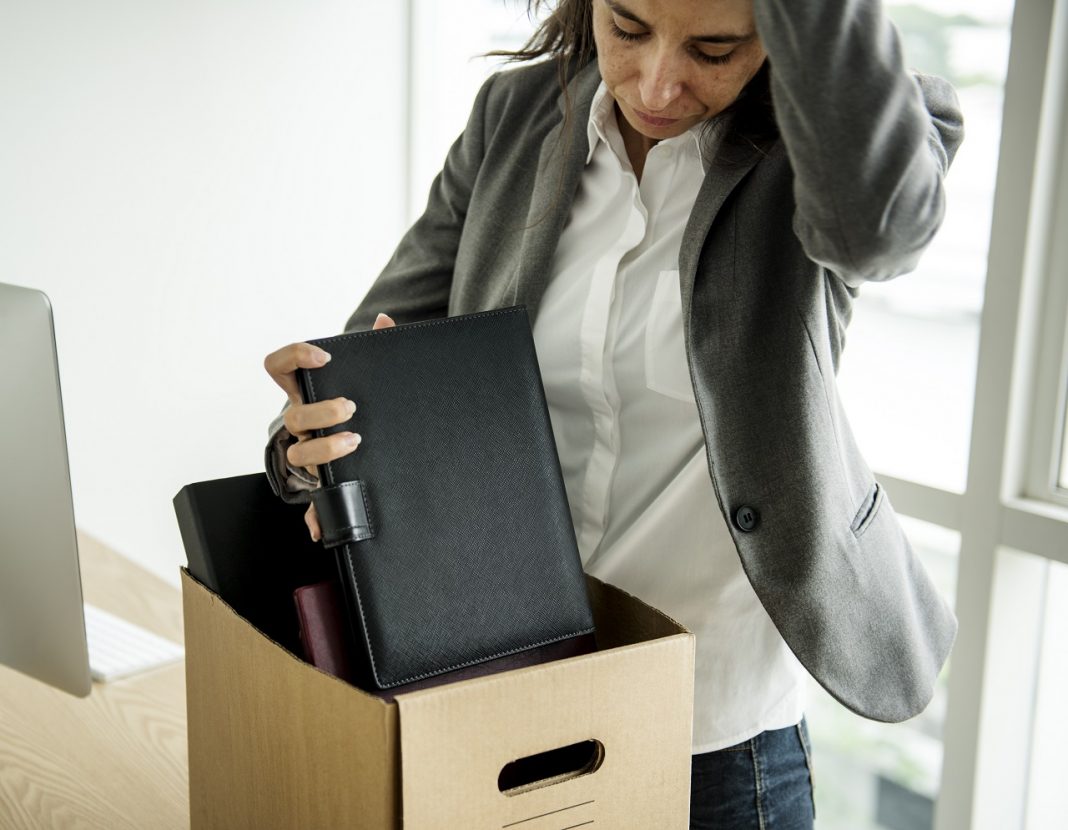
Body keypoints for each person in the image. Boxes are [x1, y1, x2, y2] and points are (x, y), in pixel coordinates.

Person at [262, 0, 963, 826]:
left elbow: (879, 231)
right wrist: (306, 451)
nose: (658, 82)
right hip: (500, 694)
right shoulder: (517, 115)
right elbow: (362, 364)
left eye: (714, 48)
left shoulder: (824, 154)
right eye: (628, 27)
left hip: (715, 734)